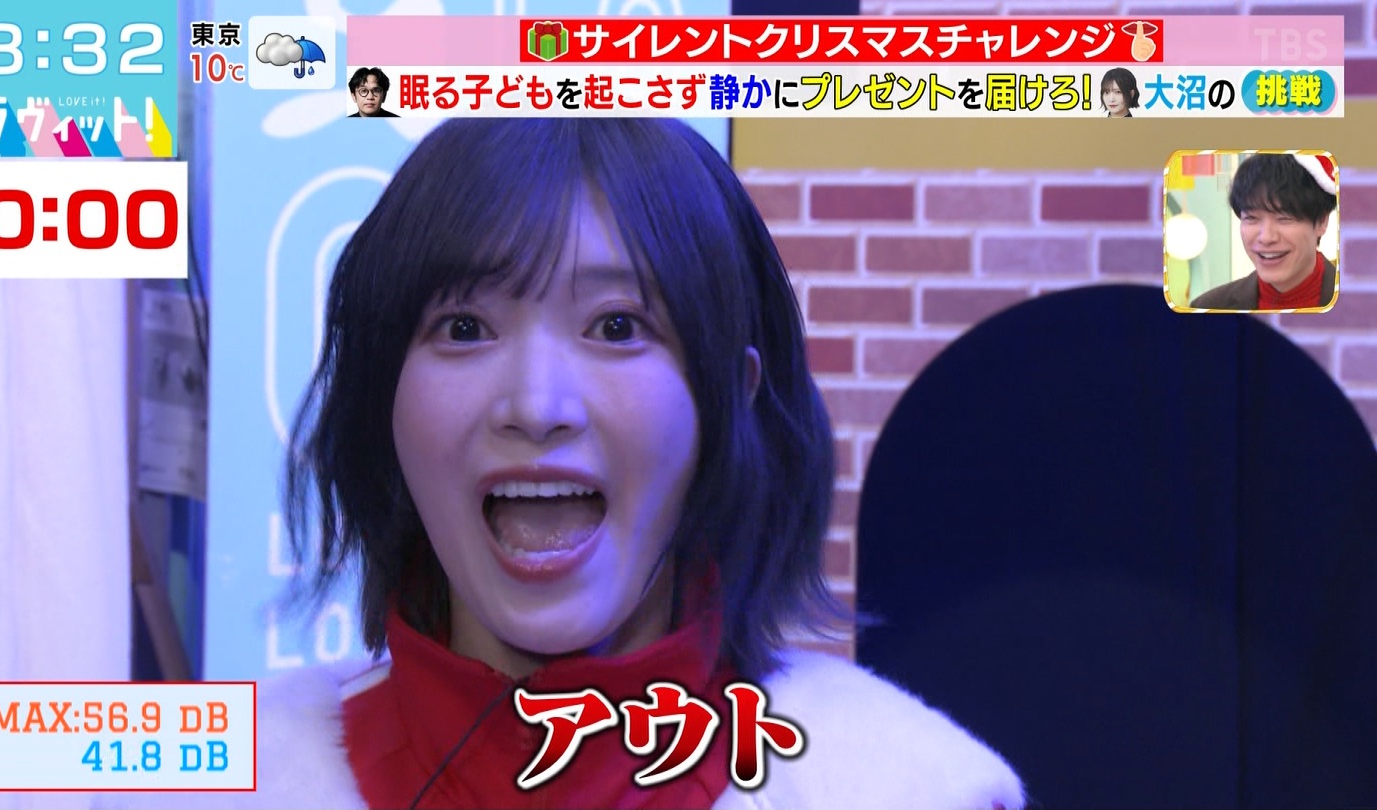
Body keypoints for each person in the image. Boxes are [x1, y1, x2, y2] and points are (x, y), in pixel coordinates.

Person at [107, 120, 1025, 809]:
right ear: (384, 404)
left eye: (617, 326)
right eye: (464, 328)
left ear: (730, 398)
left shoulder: (901, 786)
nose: (536, 404)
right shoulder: (230, 781)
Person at [1191, 153, 1338, 311]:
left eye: (1284, 218)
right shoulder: (1208, 307)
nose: (1266, 237)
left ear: (1321, 222)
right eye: (1251, 218)